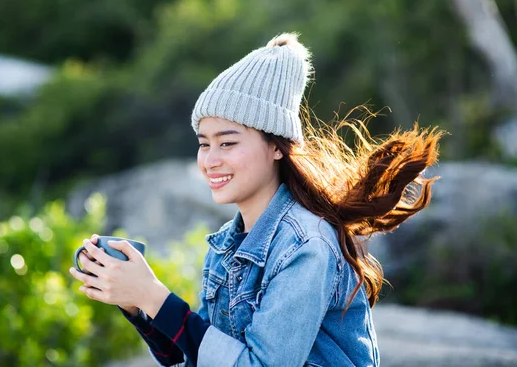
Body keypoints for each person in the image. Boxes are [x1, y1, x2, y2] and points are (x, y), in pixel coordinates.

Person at [69, 32, 442, 366]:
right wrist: (137, 304)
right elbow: (200, 355)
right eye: (204, 144)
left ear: (276, 147)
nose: (211, 159)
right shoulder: (227, 245)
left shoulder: (306, 245)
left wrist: (155, 297)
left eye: (228, 143)